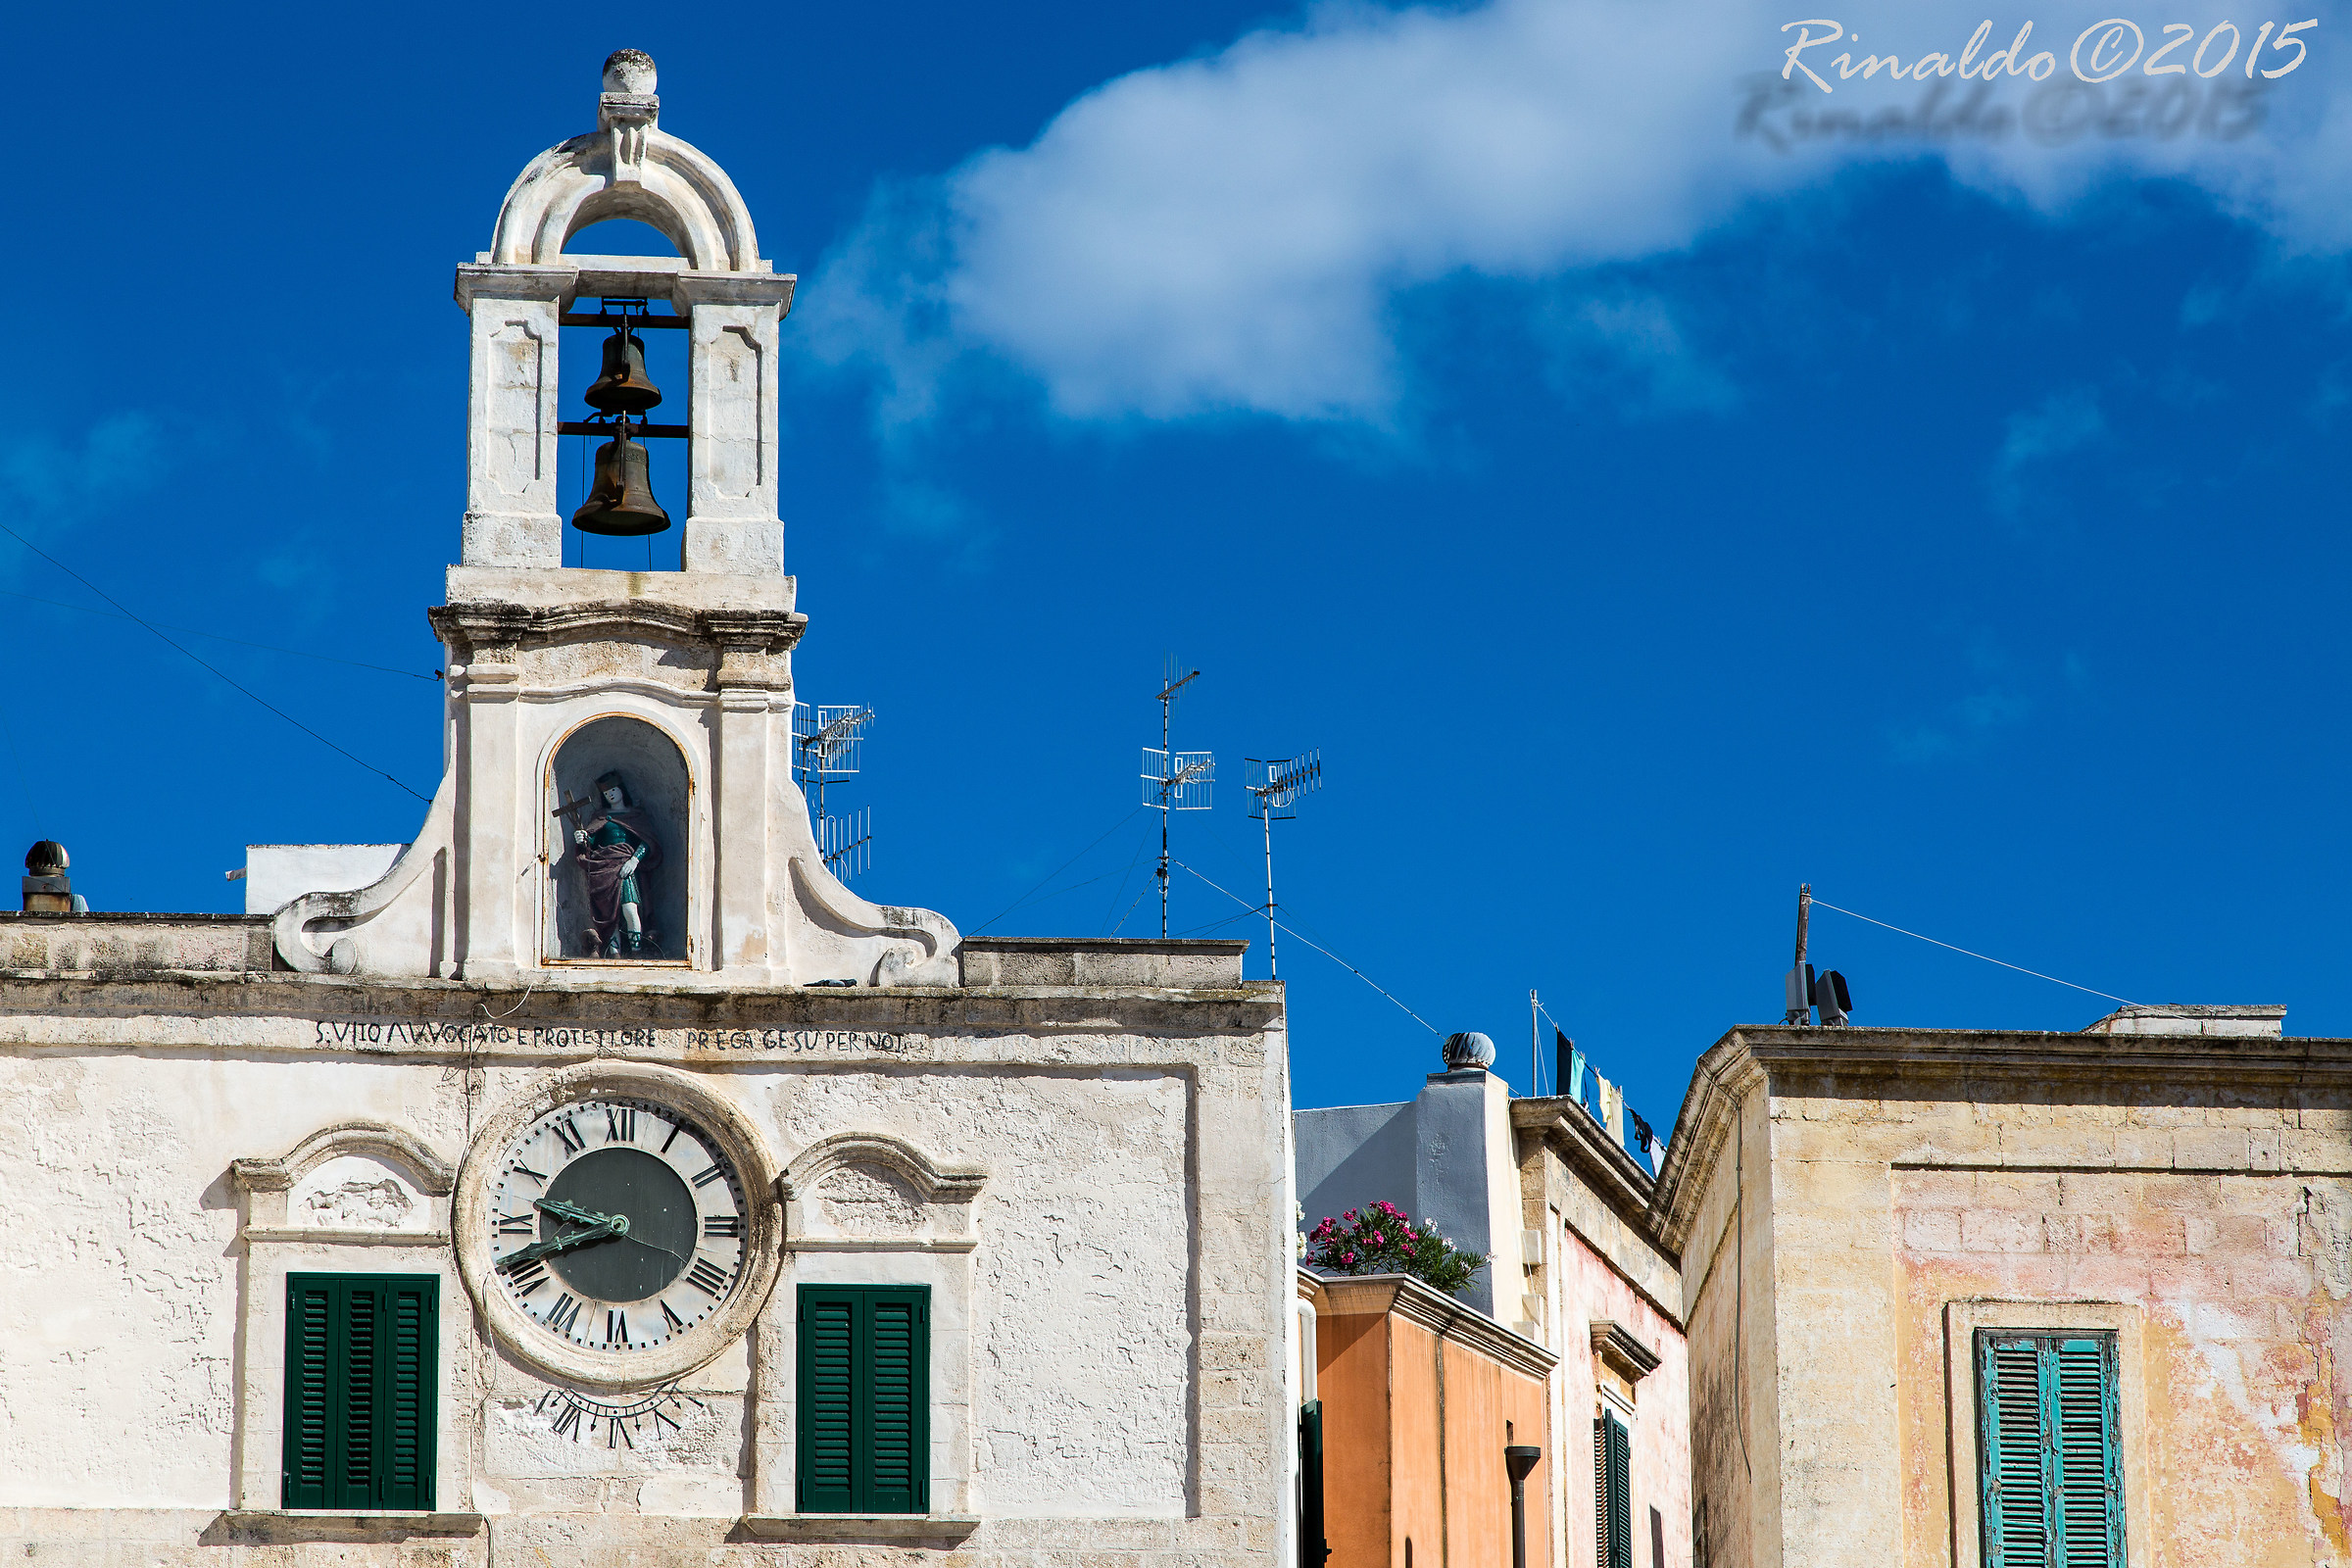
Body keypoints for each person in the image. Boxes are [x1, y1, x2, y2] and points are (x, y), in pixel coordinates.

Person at [571, 771, 662, 957]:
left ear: (621, 790)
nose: (610, 795)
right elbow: (590, 841)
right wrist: (582, 838)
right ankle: (615, 954)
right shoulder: (601, 816)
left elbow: (647, 840)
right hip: (605, 868)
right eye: (606, 793)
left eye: (613, 790)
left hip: (625, 867)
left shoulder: (635, 815)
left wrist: (635, 860)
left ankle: (637, 952)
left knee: (630, 909)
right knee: (609, 915)